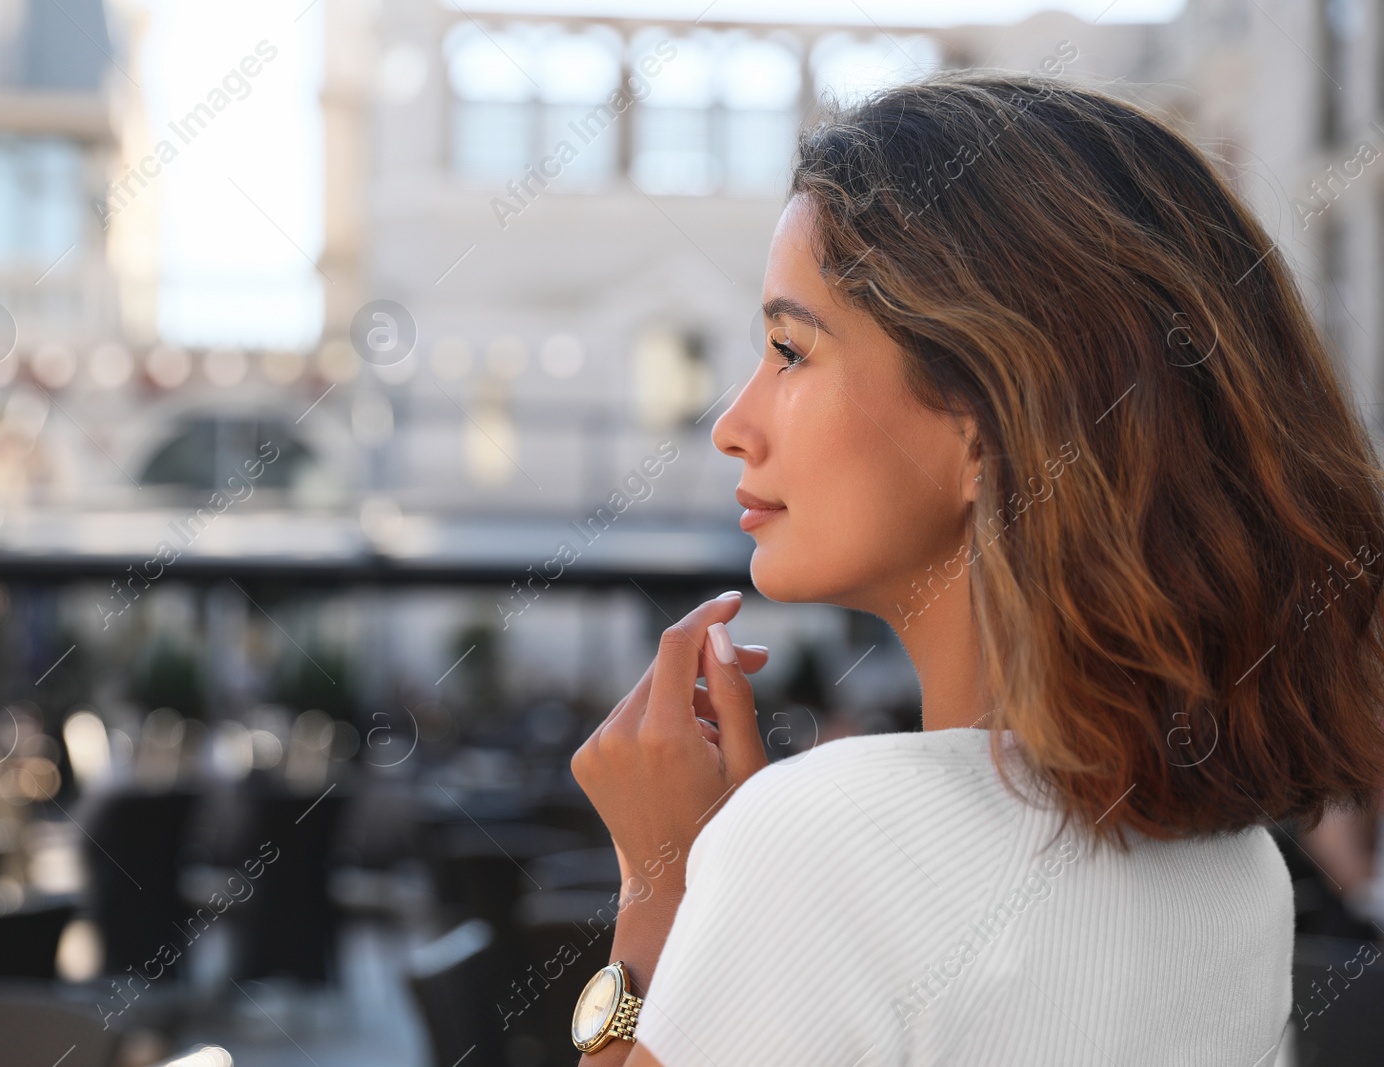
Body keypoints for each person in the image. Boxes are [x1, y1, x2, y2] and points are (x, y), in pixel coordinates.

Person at [569, 70, 1384, 1066]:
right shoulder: (1240, 871)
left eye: (789, 349)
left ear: (990, 416)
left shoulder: (824, 838)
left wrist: (659, 887)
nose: (732, 424)